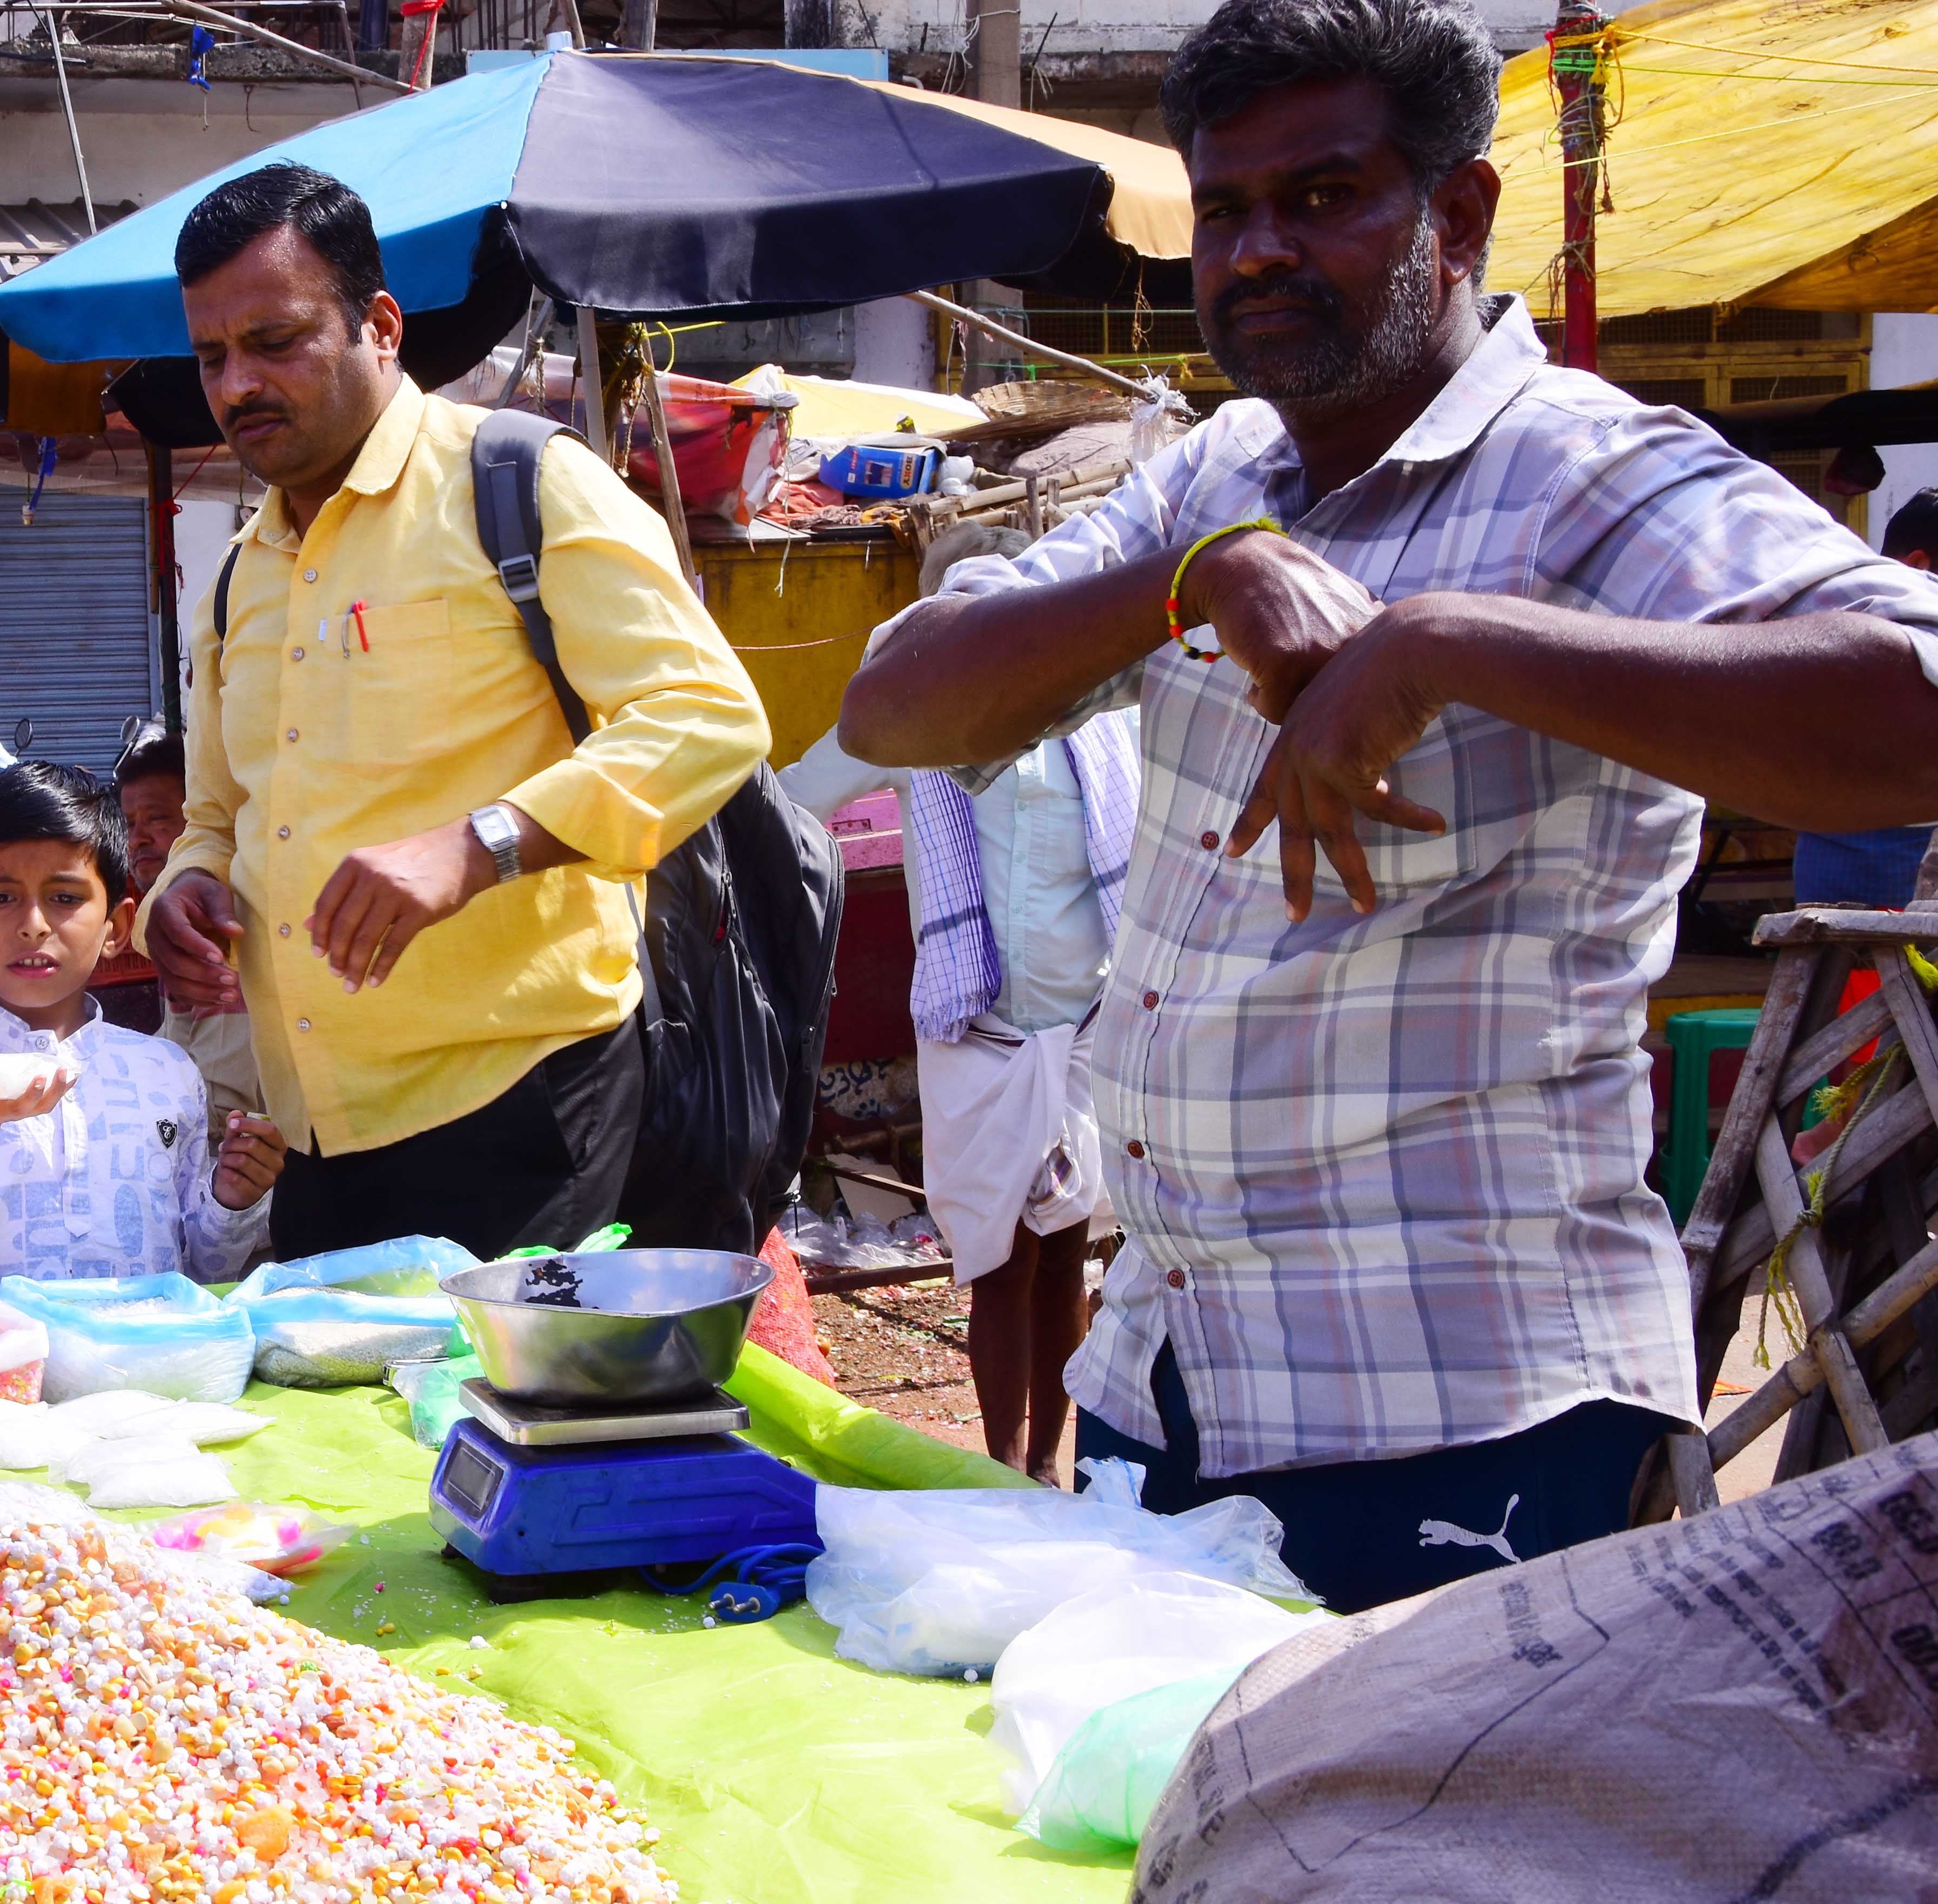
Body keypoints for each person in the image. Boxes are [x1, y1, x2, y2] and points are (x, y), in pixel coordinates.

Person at [837, 0, 1938, 1612]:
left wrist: (1455, 642)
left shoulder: (1577, 470)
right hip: (1168, 1387)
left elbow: (1912, 704)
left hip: (1461, 1419)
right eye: (1224, 209)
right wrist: (1195, 579)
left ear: (1459, 215)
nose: (1258, 249)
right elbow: (894, 701)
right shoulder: (1212, 477)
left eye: (1323, 195)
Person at [137, 164, 770, 1262]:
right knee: (357, 1437)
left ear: (380, 325)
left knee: (493, 1427)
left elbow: (708, 716)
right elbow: (217, 815)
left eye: (276, 341)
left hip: (525, 1108)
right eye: (211, 356)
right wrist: (187, 887)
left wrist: (482, 846)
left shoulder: (517, 481)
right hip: (313, 1140)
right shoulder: (240, 576)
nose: (237, 384)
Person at [783, 529, 1142, 1485]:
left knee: (1066, 1256)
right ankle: (1000, 1465)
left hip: (1081, 1035)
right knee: (993, 1267)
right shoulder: (911, 724)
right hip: (974, 1035)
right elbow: (788, 799)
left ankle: (1046, 1469)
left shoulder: (1101, 726)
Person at [0, 763, 282, 1293]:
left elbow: (203, 1270)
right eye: (0, 898)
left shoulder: (165, 1072)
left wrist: (233, 1195)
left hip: (137, 1367)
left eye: (65, 898)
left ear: (117, 927)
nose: (33, 922)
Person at [114, 722, 264, 1152]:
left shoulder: (222, 919)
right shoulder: (169, 919)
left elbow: (220, 1107)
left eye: (158, 819)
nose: (138, 837)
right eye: (130, 823)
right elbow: (177, 1051)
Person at [1790, 490, 1938, 908]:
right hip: (1874, 879)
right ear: (1918, 566)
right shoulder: (1872, 640)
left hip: (1863, 863)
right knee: (1864, 969)